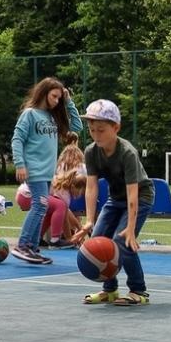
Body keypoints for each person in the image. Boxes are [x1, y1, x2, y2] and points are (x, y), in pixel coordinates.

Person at [71, 99, 151, 305]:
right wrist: (89, 220)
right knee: (97, 241)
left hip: (140, 197)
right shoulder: (91, 151)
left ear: (116, 128)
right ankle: (110, 290)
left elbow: (133, 193)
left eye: (101, 130)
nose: (96, 135)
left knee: (122, 242)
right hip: (115, 199)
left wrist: (131, 228)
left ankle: (139, 291)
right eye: (92, 130)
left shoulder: (127, 152)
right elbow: (91, 186)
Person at [10, 76, 82, 265]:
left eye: (59, 98)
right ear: (44, 93)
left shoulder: (52, 117)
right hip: (34, 169)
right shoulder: (30, 114)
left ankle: (33, 248)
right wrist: (20, 164)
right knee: (40, 205)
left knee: (42, 208)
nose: (56, 100)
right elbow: (17, 139)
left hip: (48, 172)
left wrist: (68, 102)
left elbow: (77, 127)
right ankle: (23, 245)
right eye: (54, 96)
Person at [44, 141, 85, 246]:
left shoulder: (60, 168)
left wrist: (70, 238)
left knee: (57, 209)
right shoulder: (64, 192)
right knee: (60, 207)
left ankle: (43, 237)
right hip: (43, 197)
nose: (81, 193)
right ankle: (56, 239)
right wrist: (72, 236)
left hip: (39, 195)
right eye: (80, 191)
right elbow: (64, 215)